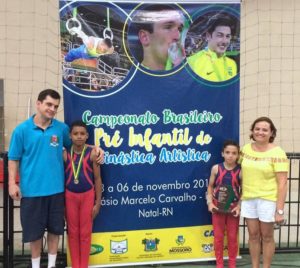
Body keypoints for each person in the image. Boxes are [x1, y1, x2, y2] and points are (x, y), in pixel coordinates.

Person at [8, 89, 103, 268]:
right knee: (34, 235)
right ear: (39, 104)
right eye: (49, 104)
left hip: (57, 191)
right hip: (32, 191)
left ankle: (51, 265)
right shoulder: (21, 130)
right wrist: (12, 183)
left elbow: (78, 146)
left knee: (55, 231)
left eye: (55, 106)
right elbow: (13, 158)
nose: (52, 109)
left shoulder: (61, 129)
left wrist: (97, 149)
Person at [239, 117, 288, 268]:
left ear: (271, 132)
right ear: (252, 131)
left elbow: (282, 183)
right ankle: (255, 266)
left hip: (268, 200)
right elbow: (237, 174)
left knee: (267, 237)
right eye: (257, 129)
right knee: (253, 236)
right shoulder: (245, 149)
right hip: (248, 199)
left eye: (264, 129)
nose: (260, 132)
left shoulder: (278, 153)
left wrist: (279, 210)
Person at [64, 120, 102, 268]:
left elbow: (98, 179)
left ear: (87, 136)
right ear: (70, 136)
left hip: (87, 196)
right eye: (75, 134)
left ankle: (83, 266)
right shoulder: (65, 154)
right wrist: (62, 204)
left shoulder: (93, 153)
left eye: (82, 134)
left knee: (85, 233)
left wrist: (97, 203)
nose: (79, 136)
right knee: (73, 233)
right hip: (69, 196)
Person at [207, 140, 241, 268]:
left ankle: (232, 263)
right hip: (217, 208)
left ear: (238, 155)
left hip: (233, 209)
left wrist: (239, 206)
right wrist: (210, 203)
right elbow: (210, 187)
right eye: (227, 152)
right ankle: (219, 264)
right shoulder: (216, 168)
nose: (230, 155)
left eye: (234, 153)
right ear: (222, 153)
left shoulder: (241, 171)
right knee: (218, 237)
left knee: (232, 237)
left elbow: (244, 191)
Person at [131, 5, 186, 71]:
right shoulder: (135, 77)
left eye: (179, 29)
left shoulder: (186, 74)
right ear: (144, 37)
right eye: (168, 27)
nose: (178, 36)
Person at [187, 14, 237, 82]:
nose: (224, 41)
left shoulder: (232, 64)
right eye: (220, 35)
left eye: (227, 36)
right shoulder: (192, 61)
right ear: (208, 36)